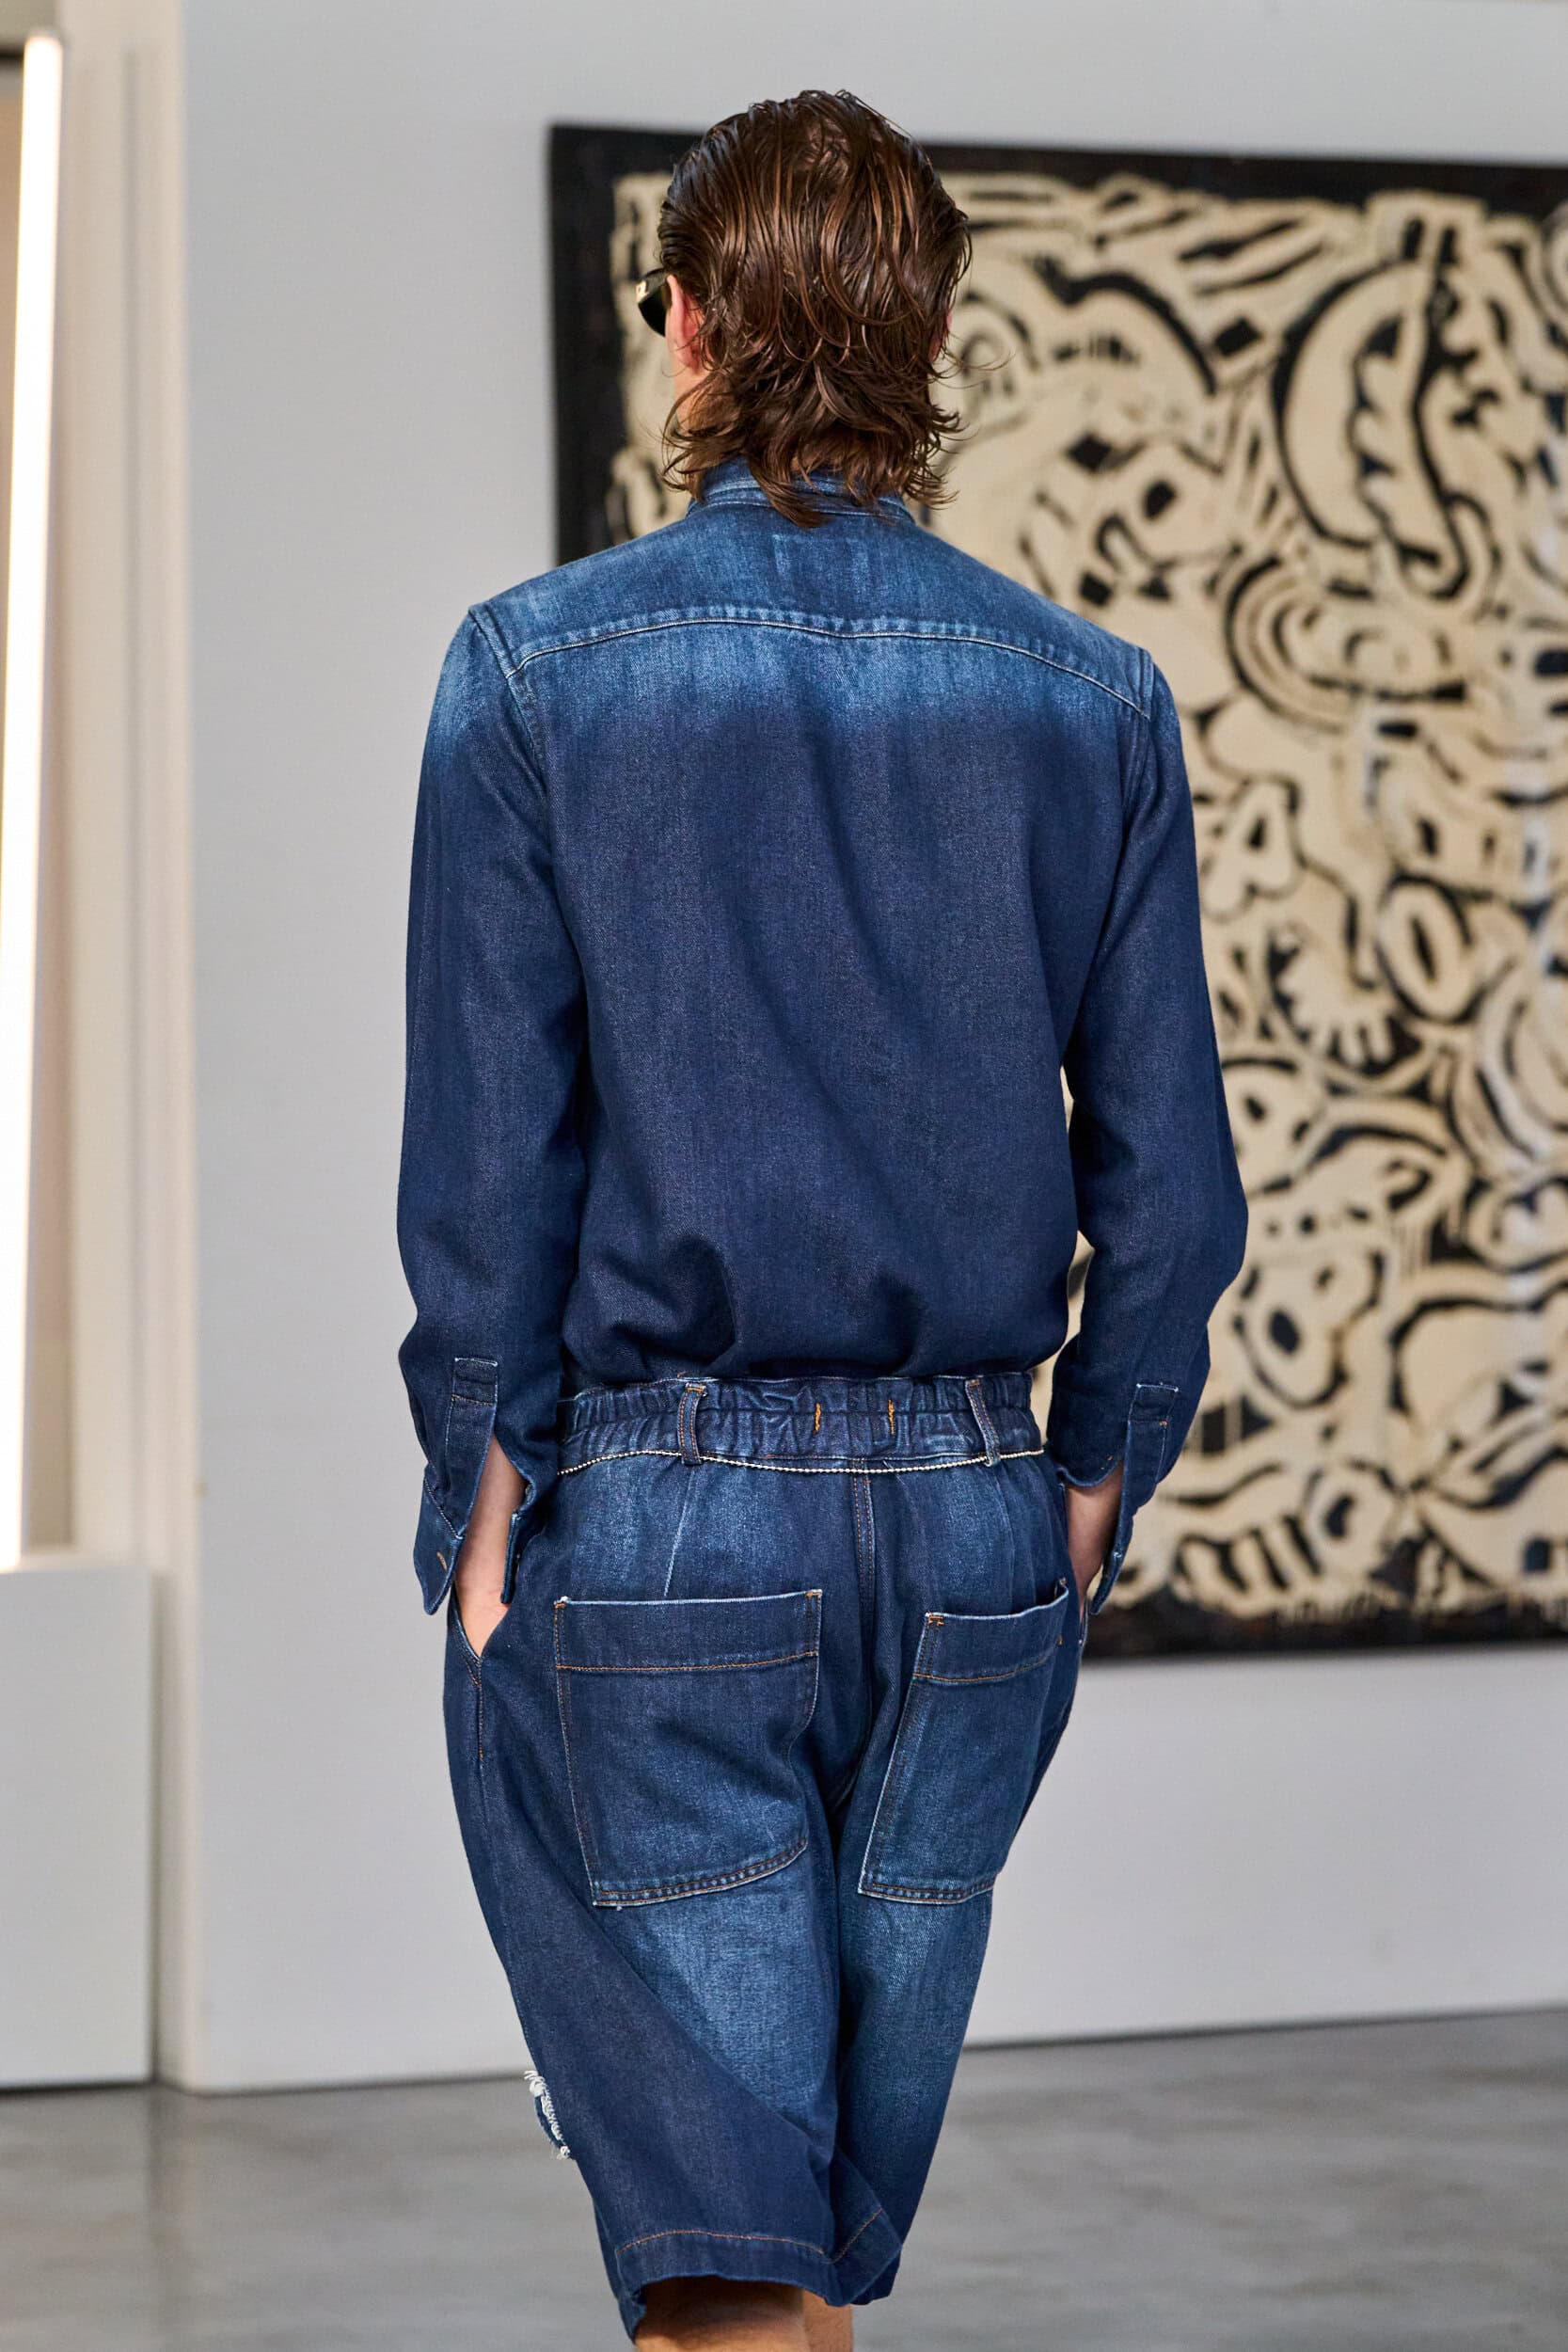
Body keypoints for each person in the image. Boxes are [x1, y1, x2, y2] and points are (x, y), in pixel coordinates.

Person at [396, 87, 1247, 2352]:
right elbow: (1173, 1185)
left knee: (732, 2256)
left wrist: (479, 1503)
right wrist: (1088, 1476)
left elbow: (488, 1174)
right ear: (931, 340)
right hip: (975, 1540)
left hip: (665, 1532)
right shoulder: (1096, 703)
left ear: (686, 328)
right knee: (782, 2229)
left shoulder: (534, 675)